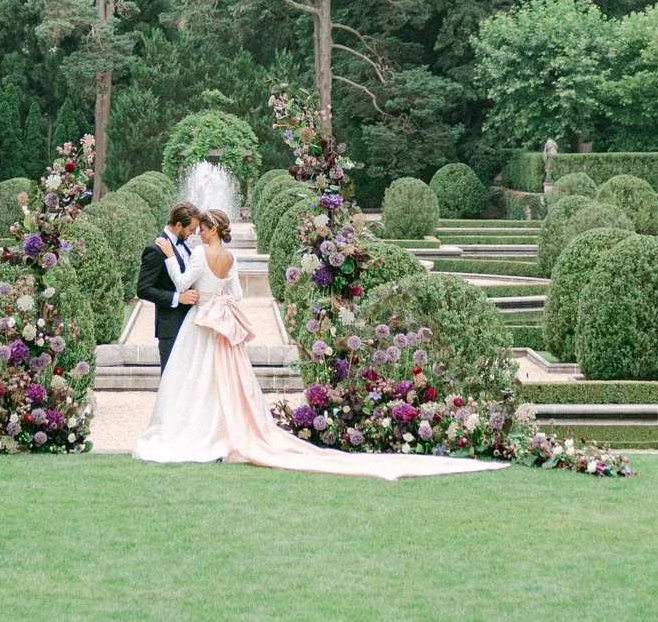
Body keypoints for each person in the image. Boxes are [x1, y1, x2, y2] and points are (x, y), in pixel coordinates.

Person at [133, 208, 503, 480]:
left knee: (197, 381)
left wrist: (171, 259)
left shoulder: (199, 254)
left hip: (201, 323)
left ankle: (201, 432)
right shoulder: (229, 257)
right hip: (223, 323)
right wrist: (219, 300)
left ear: (212, 229)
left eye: (202, 228)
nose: (197, 234)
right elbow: (238, 295)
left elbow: (181, 284)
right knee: (226, 383)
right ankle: (223, 430)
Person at [135, 203, 201, 369]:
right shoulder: (155, 250)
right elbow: (143, 289)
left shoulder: (184, 246)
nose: (193, 233)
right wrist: (178, 298)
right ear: (179, 225)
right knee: (170, 379)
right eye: (191, 229)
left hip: (190, 324)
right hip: (171, 327)